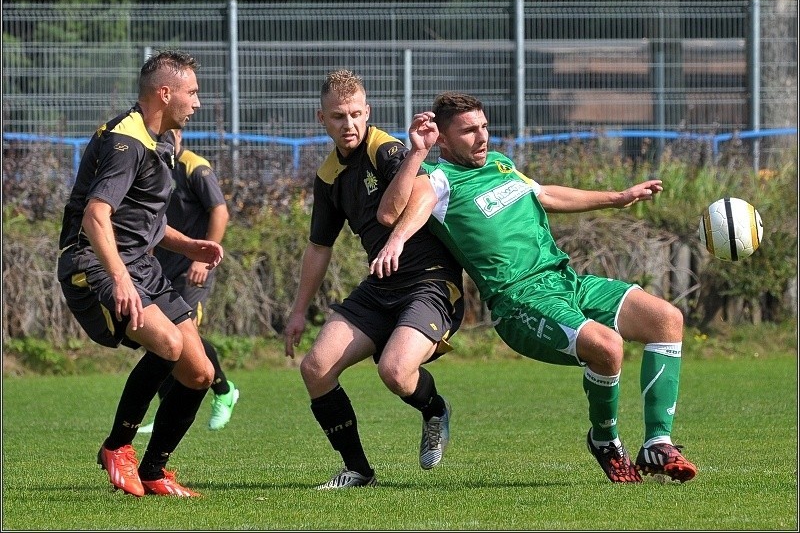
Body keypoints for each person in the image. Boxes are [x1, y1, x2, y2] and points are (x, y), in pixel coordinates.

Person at [371, 91, 698, 484]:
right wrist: (413, 166)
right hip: (520, 301)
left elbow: (544, 194)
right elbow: (393, 213)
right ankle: (605, 440)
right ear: (442, 138)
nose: (482, 137)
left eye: (485, 127)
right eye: (469, 131)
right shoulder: (439, 181)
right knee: (608, 348)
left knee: (667, 319)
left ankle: (657, 443)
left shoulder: (500, 164)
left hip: (564, 280)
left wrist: (618, 197)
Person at [283, 70, 465, 489]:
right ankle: (358, 470)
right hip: (381, 286)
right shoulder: (329, 176)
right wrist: (297, 312)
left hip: (430, 282)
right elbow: (318, 247)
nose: (348, 125)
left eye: (355, 115)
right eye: (337, 117)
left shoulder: (388, 150)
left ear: (368, 112)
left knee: (396, 372)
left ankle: (434, 410)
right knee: (315, 368)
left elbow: (418, 196)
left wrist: (417, 155)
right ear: (321, 120)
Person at [57, 50, 222, 498]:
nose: (197, 103)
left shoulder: (163, 141)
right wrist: (121, 277)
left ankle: (154, 470)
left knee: (200, 373)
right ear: (164, 93)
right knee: (168, 345)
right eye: (191, 93)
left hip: (141, 265)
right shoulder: (125, 142)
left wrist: (189, 245)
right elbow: (96, 216)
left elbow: (142, 221)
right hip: (93, 263)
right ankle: (116, 447)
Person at [138, 129, 238, 434]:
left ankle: (223, 391)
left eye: (175, 132)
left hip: (191, 271)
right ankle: (167, 409)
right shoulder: (152, 165)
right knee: (158, 337)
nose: (170, 136)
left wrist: (201, 259)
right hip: (158, 270)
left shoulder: (195, 167)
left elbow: (220, 212)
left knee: (185, 333)